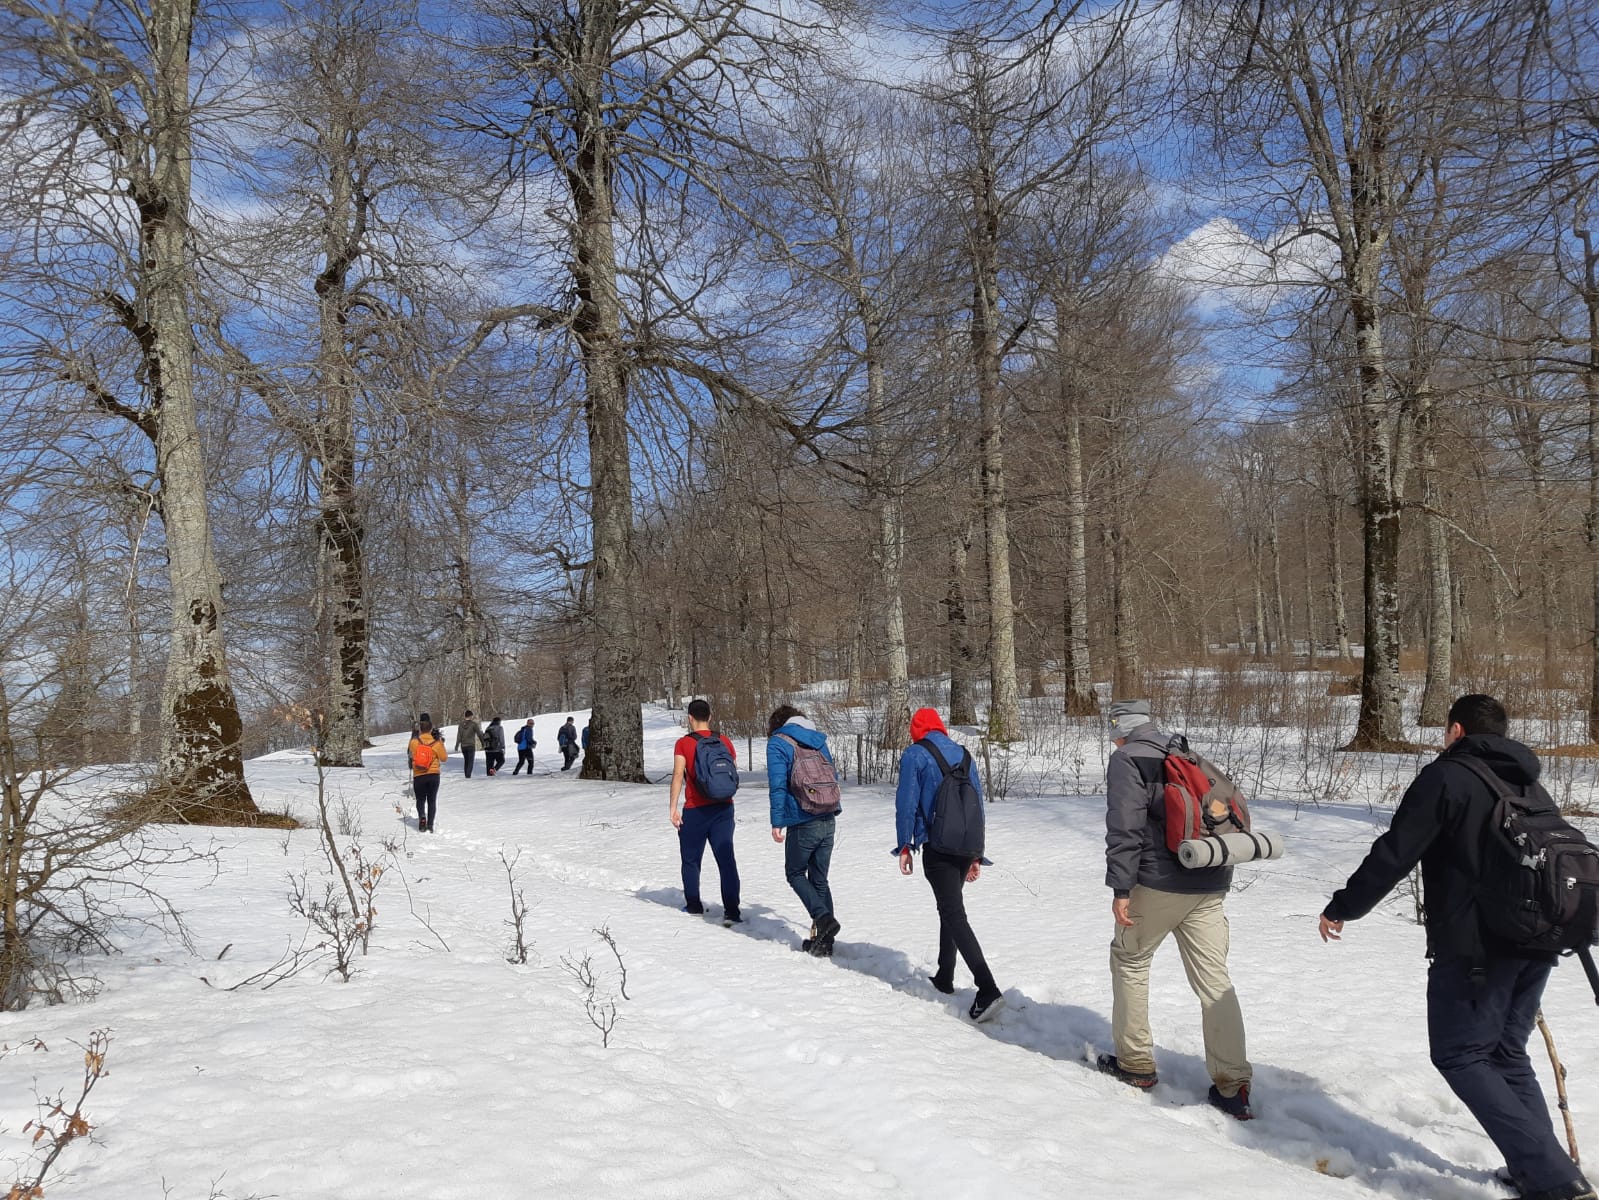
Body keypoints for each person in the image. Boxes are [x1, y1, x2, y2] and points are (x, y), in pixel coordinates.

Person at [1319, 695, 1595, 1200]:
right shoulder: (1528, 781)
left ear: (1456, 732)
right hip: (1539, 938)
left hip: (1475, 948)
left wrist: (1343, 907)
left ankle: (1555, 1179)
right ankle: (1534, 1171)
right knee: (1507, 1053)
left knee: (1460, 1053)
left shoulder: (1446, 777)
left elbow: (1395, 852)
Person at [1099, 699, 1253, 1119]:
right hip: (1209, 876)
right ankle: (1234, 1084)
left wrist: (1121, 887)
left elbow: (1124, 826)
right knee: (1214, 980)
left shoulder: (1128, 758)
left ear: (1120, 728)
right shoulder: (1183, 750)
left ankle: (1135, 1065)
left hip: (1159, 881)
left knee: (1130, 961)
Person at [895, 707, 1002, 1023]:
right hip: (965, 844)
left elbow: (906, 802)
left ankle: (987, 989)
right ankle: (945, 975)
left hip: (938, 846)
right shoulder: (964, 754)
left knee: (954, 914)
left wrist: (905, 844)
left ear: (917, 729)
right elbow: (978, 804)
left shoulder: (915, 754)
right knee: (950, 908)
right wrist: (976, 853)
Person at [766, 704, 841, 957]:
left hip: (802, 819)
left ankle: (823, 918)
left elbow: (777, 785)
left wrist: (777, 821)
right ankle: (824, 942)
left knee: (795, 873)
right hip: (829, 816)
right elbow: (833, 776)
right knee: (819, 879)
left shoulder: (779, 742)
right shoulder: (818, 740)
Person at [669, 698, 741, 925]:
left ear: (690, 718)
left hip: (696, 809)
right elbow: (732, 773)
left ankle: (693, 905)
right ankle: (732, 911)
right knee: (726, 860)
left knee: (691, 860)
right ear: (710, 716)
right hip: (724, 808)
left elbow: (679, 775)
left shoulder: (684, 744)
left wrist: (672, 807)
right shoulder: (725, 741)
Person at [408, 713, 448, 833]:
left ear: (420, 729)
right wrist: (440, 741)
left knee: (420, 799)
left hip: (419, 775)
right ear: (431, 728)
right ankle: (430, 825)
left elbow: (410, 752)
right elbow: (444, 757)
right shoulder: (436, 743)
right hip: (433, 774)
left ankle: (422, 817)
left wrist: (415, 735)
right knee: (432, 800)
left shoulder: (414, 742)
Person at [456, 710, 481, 779]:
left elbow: (459, 735)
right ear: (471, 716)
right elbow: (479, 734)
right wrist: (483, 742)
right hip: (471, 745)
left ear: (465, 716)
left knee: (466, 760)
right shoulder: (473, 724)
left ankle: (466, 775)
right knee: (470, 761)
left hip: (463, 745)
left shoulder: (461, 724)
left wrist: (457, 745)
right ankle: (468, 775)